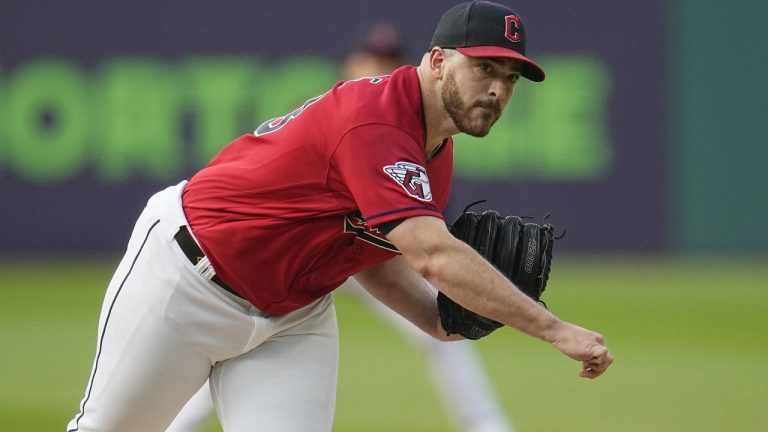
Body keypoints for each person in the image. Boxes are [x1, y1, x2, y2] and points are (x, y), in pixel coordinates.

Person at [68, 2, 614, 431]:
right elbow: (432, 254)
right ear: (439, 60)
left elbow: (371, 255)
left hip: (293, 316)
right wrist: (553, 329)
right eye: (484, 67)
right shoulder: (377, 123)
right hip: (187, 278)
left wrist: (436, 321)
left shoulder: (433, 150)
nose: (497, 88)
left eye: (512, 78)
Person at [167, 20, 516, 432]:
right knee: (249, 345)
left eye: (387, 59)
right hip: (305, 251)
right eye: (372, 58)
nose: (379, 66)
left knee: (444, 330)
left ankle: (488, 425)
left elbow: (420, 231)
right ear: (354, 61)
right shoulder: (343, 111)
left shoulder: (417, 130)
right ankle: (176, 425)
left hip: (372, 253)